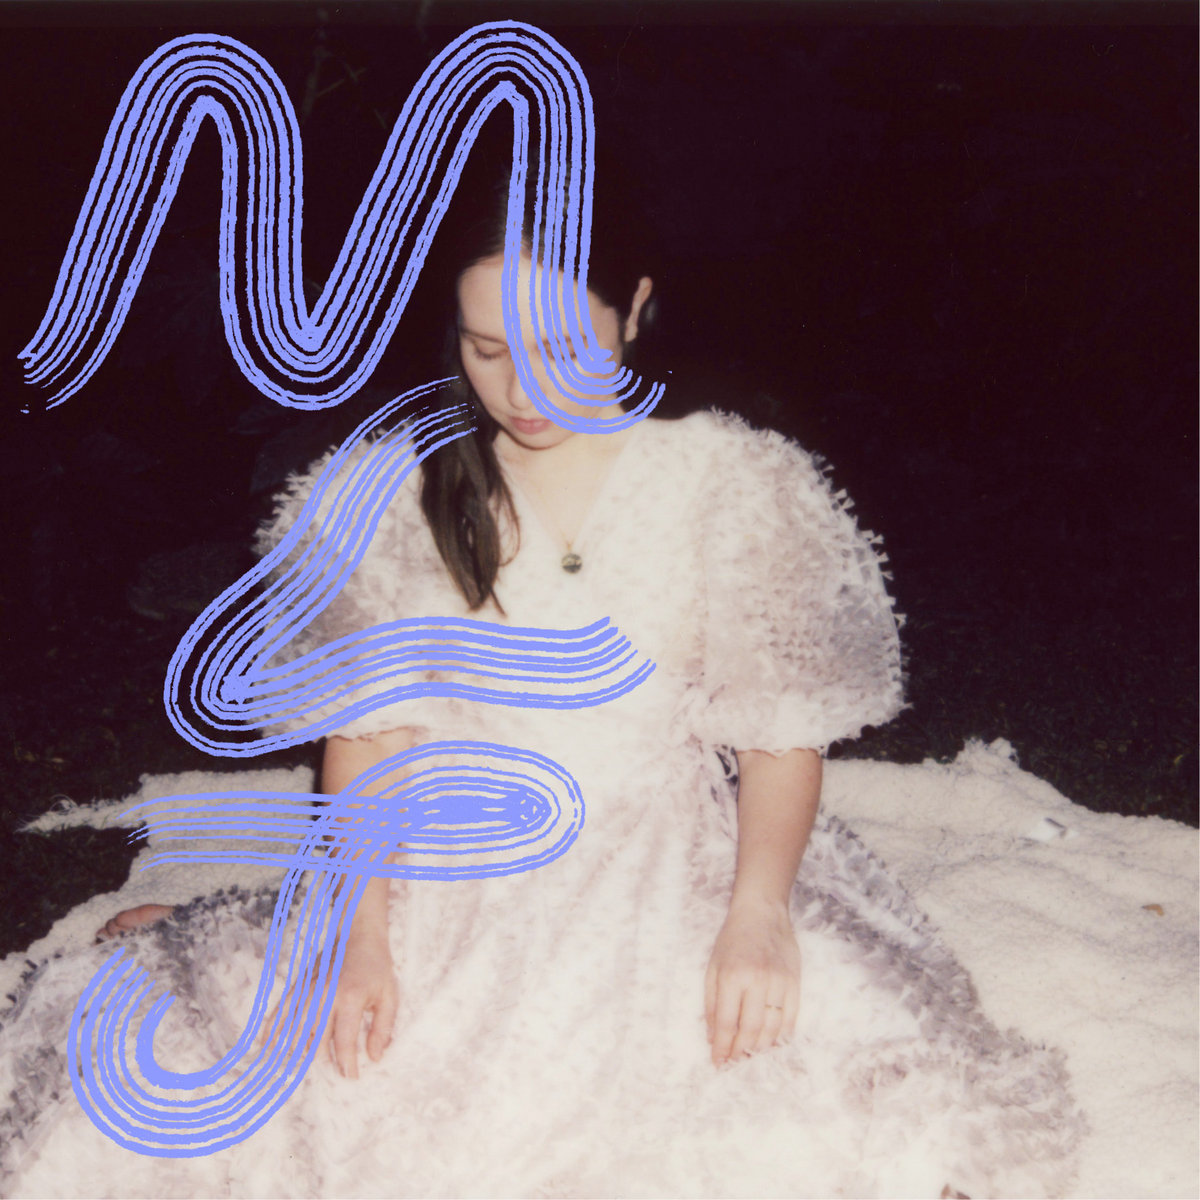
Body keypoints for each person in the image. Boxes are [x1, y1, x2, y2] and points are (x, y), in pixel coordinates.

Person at [0, 157, 1084, 1199]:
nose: (523, 390)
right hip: (449, 863)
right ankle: (241, 934)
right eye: (487, 348)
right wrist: (358, 940)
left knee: (853, 1091)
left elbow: (779, 735)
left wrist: (759, 913)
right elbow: (369, 739)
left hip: (667, 856)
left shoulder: (731, 479)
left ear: (635, 307)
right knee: (327, 1093)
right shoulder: (391, 491)